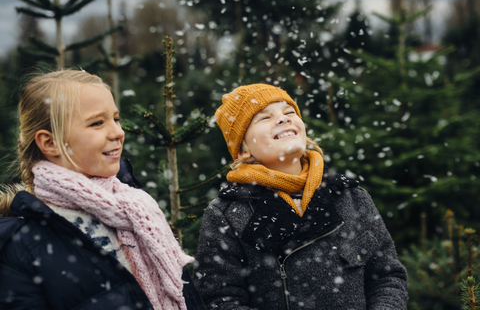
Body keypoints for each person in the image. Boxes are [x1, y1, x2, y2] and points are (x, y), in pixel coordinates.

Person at [0, 70, 204, 310]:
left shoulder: (137, 210)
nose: (118, 132)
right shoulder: (20, 247)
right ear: (50, 143)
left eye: (116, 119)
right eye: (97, 123)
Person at [193, 83, 408, 309]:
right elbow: (220, 299)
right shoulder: (228, 213)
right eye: (264, 117)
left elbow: (387, 278)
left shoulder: (350, 197)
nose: (283, 119)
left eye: (289, 112)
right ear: (243, 148)